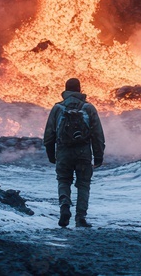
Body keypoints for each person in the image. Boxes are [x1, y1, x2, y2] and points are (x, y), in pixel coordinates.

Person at [43, 77, 105, 228]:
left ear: (65, 91)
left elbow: (49, 135)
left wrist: (52, 156)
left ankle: (64, 206)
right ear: (79, 90)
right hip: (83, 152)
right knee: (83, 184)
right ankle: (80, 218)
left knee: (63, 180)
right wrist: (98, 156)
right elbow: (97, 134)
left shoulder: (57, 108)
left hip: (63, 152)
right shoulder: (88, 108)